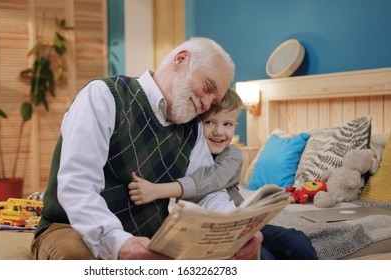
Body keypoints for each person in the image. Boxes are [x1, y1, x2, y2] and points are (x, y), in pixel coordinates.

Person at [31, 37, 263, 260]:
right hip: (70, 227)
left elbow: (206, 192)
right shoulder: (104, 95)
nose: (205, 104)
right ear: (181, 60)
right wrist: (120, 243)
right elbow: (77, 184)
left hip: (149, 240)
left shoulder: (192, 128)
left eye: (213, 102)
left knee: (242, 251)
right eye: (207, 87)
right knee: (76, 255)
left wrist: (232, 228)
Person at [128, 89, 319, 260]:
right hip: (206, 230)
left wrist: (157, 191)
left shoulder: (233, 154)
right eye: (209, 122)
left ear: (235, 126)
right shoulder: (184, 152)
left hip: (239, 222)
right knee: (263, 257)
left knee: (297, 241)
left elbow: (212, 179)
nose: (219, 132)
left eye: (227, 124)